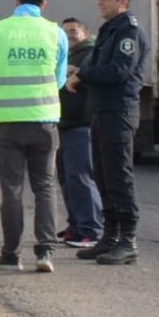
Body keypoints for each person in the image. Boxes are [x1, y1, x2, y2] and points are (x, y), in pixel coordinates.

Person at [0, 0, 68, 273]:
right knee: (44, 187)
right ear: (44, 4)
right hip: (44, 119)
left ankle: (11, 254)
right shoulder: (57, 33)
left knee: (12, 189)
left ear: (16, 0)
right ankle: (45, 252)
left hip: (8, 121)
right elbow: (60, 79)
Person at [65, 0, 150, 265]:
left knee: (119, 177)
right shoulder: (110, 29)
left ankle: (127, 240)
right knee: (102, 175)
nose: (100, 2)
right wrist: (82, 71)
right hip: (101, 111)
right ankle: (109, 237)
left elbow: (118, 71)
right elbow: (100, 67)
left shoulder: (129, 32)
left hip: (118, 112)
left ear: (122, 2)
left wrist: (84, 75)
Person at [56, 17, 103, 249]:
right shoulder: (66, 56)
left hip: (81, 125)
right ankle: (75, 225)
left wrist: (78, 71)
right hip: (64, 124)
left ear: (85, 33)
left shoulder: (91, 52)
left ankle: (91, 229)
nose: (69, 36)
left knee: (80, 177)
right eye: (64, 33)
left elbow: (90, 73)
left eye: (73, 31)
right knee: (67, 178)